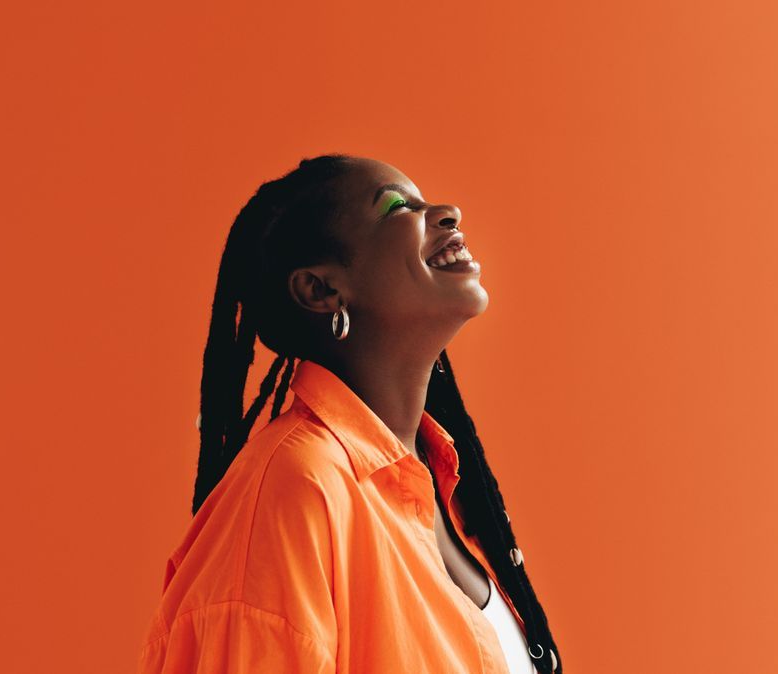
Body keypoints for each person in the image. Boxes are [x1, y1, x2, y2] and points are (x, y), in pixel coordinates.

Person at [135, 154, 562, 673]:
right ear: (321, 290)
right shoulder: (295, 488)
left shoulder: (448, 491)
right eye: (397, 208)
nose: (447, 212)